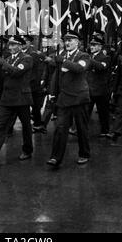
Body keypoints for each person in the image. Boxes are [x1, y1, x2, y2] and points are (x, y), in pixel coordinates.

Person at [0, 35, 33, 163]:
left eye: (14, 45)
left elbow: (16, 72)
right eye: (10, 45)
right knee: (0, 125)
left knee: (26, 125)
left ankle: (27, 149)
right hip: (7, 97)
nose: (11, 47)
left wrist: (2, 62)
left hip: (21, 97)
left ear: (20, 46)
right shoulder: (8, 59)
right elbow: (1, 75)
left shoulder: (27, 58)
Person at [47, 31, 91, 168]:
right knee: (60, 129)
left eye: (70, 40)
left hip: (79, 98)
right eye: (65, 40)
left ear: (77, 42)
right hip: (64, 98)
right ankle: (55, 157)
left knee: (81, 128)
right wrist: (52, 93)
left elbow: (79, 68)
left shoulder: (83, 56)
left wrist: (64, 62)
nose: (67, 43)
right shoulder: (62, 56)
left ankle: (84, 153)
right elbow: (57, 76)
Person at [87, 35, 111, 137]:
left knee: (103, 113)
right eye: (91, 45)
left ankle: (105, 131)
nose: (91, 47)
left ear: (100, 47)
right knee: (85, 112)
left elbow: (101, 67)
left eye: (94, 45)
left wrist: (89, 59)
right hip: (89, 89)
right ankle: (79, 130)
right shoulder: (89, 56)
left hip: (101, 90)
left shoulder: (105, 57)